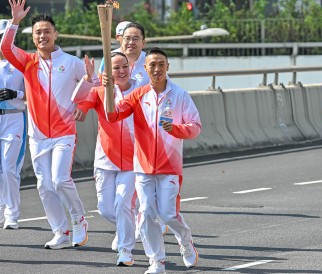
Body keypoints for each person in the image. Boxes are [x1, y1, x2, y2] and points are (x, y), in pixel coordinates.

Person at [1, 0, 98, 249]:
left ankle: (78, 220)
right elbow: (6, 47)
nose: (43, 35)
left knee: (59, 180)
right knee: (44, 185)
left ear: (55, 34)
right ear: (33, 38)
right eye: (38, 33)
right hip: (38, 135)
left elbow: (95, 86)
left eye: (47, 31)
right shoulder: (28, 62)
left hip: (65, 131)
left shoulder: (72, 62)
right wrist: (14, 22)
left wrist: (85, 104)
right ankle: (60, 232)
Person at [104, 47, 201, 274]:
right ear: (145, 68)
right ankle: (156, 261)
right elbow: (113, 115)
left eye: (161, 64)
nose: (156, 69)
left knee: (168, 214)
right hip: (143, 166)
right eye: (152, 65)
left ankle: (185, 241)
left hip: (170, 166)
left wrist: (176, 129)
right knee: (146, 212)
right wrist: (109, 89)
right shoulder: (138, 95)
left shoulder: (180, 95)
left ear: (167, 67)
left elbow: (196, 126)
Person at [73, 52, 136, 266]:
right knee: (105, 209)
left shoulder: (140, 91)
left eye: (124, 66)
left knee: (123, 205)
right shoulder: (99, 91)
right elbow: (78, 99)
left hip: (133, 160)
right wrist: (89, 79)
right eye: (116, 68)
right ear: (107, 73)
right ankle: (126, 227)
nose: (121, 71)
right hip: (105, 160)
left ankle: (126, 250)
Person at [0, 18, 26, 230]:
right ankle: (2, 208)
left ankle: (12, 214)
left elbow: (34, 92)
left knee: (9, 168)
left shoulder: (20, 62)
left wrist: (14, 93)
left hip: (15, 117)